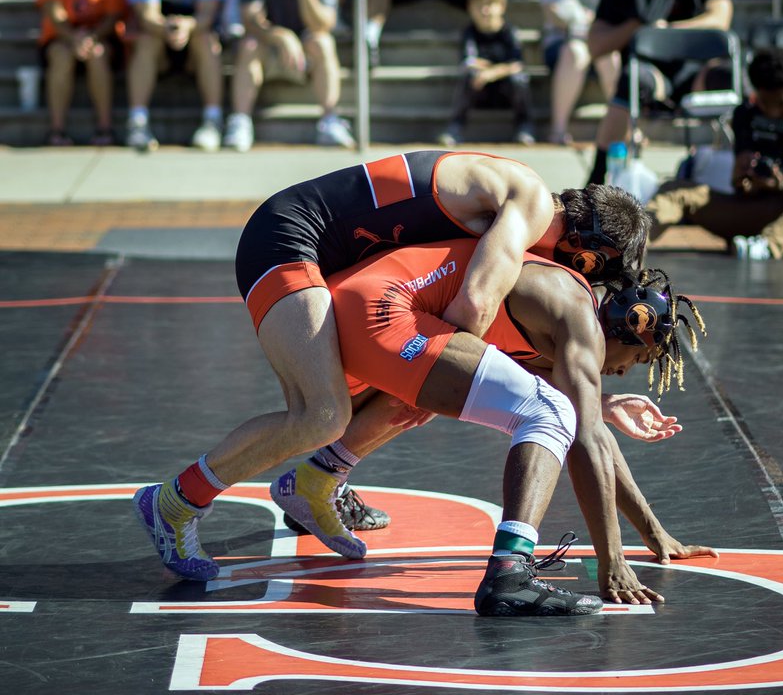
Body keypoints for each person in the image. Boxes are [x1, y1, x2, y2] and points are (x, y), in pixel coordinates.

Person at [131, 152, 650, 581]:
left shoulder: (517, 202)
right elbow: (474, 302)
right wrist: (441, 366)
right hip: (290, 239)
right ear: (585, 254)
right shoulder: (531, 202)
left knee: (403, 392)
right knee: (321, 414)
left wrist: (437, 372)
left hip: (337, 262)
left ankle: (317, 482)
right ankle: (175, 503)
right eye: (594, 272)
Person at [280, 243, 716, 611]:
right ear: (629, 328)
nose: (623, 372)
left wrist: (652, 530)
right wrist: (612, 561)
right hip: (364, 318)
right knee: (545, 415)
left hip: (344, 313)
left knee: (432, 397)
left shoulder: (561, 312)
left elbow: (593, 434)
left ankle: (319, 477)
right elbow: (587, 440)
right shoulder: (579, 321)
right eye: (637, 360)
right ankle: (510, 569)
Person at [645, 47, 783, 260]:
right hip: (757, 212)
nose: (772, 112)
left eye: (781, 104)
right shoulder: (746, 113)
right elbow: (739, 187)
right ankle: (630, 244)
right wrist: (743, 179)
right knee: (676, 191)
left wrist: (780, 185)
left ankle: (768, 246)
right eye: (765, 103)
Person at [585, 0, 733, 185]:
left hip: (696, 74)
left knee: (725, 74)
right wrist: (635, 28)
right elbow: (595, 44)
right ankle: (597, 177)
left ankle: (742, 165)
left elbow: (720, 18)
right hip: (653, 78)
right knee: (631, 78)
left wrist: (667, 30)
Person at [223, 0, 354, 153]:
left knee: (323, 42)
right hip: (270, 47)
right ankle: (240, 120)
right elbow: (249, 19)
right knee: (249, 44)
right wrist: (280, 36)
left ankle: (329, 119)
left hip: (307, 52)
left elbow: (324, 23)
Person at [125, 0, 229, 152]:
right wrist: (168, 28)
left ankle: (213, 121)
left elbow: (206, 16)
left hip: (195, 43)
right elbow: (147, 16)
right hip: (159, 42)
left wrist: (187, 26)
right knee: (146, 41)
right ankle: (137, 122)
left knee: (206, 40)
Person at [35, 0, 130, 146]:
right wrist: (73, 38)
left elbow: (114, 15)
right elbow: (53, 10)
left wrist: (91, 39)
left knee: (97, 56)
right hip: (63, 37)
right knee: (61, 55)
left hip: (102, 37)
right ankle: (57, 131)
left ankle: (104, 129)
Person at [540, 0, 632, 146]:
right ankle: (558, 129)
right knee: (574, 51)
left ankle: (625, 129)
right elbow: (551, 11)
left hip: (610, 42)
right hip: (567, 41)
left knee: (608, 53)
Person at [439, 0, 535, 148]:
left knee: (518, 79)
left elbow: (517, 64)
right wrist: (499, 67)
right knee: (469, 76)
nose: (485, 11)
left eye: (490, 5)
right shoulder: (470, 32)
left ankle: (524, 126)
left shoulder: (509, 32)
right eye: (479, 5)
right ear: (470, 7)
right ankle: (455, 127)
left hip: (506, 91)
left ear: (502, 7)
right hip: (479, 91)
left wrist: (491, 72)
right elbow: (469, 62)